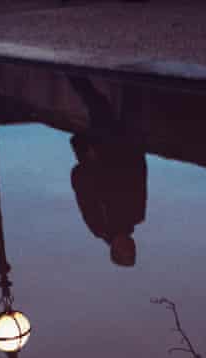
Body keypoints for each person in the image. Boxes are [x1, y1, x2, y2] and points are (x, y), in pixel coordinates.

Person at [68, 77, 147, 267]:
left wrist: (91, 160)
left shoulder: (99, 225)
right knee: (131, 103)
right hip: (126, 149)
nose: (131, 246)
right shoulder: (136, 216)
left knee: (99, 106)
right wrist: (138, 151)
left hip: (102, 151)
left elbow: (80, 183)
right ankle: (130, 68)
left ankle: (70, 70)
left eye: (127, 251)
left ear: (115, 249)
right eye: (133, 250)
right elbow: (141, 180)